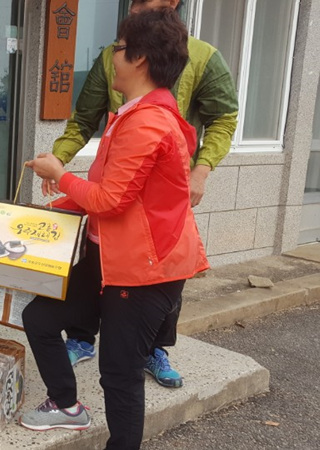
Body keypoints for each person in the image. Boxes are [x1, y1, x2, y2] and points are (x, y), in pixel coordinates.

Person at [19, 9, 208, 449]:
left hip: (142, 271)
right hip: (107, 258)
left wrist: (59, 173)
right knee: (40, 318)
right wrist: (36, 214)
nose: (112, 55)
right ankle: (66, 404)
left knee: (120, 375)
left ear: (139, 58)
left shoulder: (148, 121)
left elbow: (110, 200)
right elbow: (111, 193)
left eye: (118, 48)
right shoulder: (134, 113)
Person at [51, 0, 238, 388]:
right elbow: (83, 119)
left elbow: (224, 118)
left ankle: (153, 348)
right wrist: (57, 160)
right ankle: (84, 337)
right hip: (116, 191)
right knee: (96, 266)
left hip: (160, 197)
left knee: (158, 269)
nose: (135, 7)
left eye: (144, 2)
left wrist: (202, 169)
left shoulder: (200, 57)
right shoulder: (114, 57)